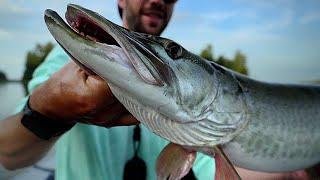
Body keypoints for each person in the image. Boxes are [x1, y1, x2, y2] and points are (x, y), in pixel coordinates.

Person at [0, 0, 313, 179]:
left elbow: (216, 170)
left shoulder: (190, 106)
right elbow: (7, 153)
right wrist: (47, 110)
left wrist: (297, 169)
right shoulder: (66, 59)